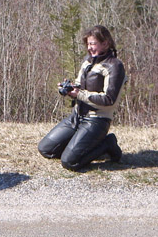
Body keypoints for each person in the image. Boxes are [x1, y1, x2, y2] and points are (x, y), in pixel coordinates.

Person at [38, 25, 125, 172]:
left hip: (97, 120)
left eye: (93, 44)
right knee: (46, 149)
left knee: (70, 162)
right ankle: (80, 146)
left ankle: (107, 144)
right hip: (77, 116)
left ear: (105, 43)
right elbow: (80, 84)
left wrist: (79, 94)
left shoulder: (114, 66)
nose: (89, 48)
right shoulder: (88, 60)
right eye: (88, 44)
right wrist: (69, 88)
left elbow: (109, 99)